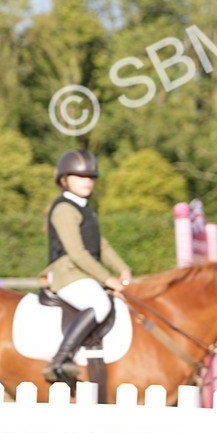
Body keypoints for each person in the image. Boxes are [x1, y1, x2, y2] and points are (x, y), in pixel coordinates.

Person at [42, 149, 133, 383]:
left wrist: (123, 269)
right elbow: (77, 252)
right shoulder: (64, 209)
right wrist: (107, 278)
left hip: (82, 273)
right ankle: (61, 359)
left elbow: (101, 245)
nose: (87, 182)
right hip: (67, 272)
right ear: (64, 180)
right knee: (99, 303)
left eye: (90, 177)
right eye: (80, 177)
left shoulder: (85, 208)